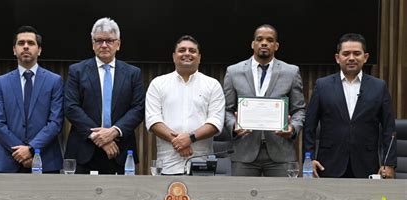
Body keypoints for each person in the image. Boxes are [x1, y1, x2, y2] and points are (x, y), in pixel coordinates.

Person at [303, 33, 396, 178]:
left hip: (367, 165)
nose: (351, 58)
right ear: (337, 58)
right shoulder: (322, 86)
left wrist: (388, 164)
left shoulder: (379, 87)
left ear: (365, 57)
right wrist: (308, 159)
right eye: (346, 53)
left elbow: (389, 129)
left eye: (356, 53)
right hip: (328, 164)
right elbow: (309, 126)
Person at [64, 17, 145, 174]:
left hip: (120, 151)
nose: (104, 45)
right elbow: (71, 107)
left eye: (109, 40)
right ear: (93, 44)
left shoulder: (132, 73)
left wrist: (114, 131)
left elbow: (138, 108)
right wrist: (98, 137)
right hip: (84, 150)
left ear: (118, 44)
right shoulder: (77, 71)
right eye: (99, 41)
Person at [224, 24, 306, 177]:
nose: (264, 43)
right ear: (253, 44)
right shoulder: (233, 71)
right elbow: (226, 110)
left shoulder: (291, 72)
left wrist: (292, 128)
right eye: (259, 39)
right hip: (244, 151)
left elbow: (299, 110)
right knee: (241, 199)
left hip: (281, 152)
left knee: (283, 199)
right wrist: (233, 125)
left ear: (276, 46)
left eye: (269, 40)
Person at [145, 35, 225, 175]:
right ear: (174, 56)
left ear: (199, 57)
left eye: (192, 51)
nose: (187, 53)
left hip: (201, 164)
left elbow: (215, 122)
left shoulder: (213, 85)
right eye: (182, 50)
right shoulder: (158, 83)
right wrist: (178, 141)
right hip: (167, 164)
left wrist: (190, 138)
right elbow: (153, 121)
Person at [0, 26, 64, 173]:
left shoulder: (54, 81)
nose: (25, 46)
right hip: (8, 160)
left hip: (46, 161)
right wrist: (21, 153)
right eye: (21, 43)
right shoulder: (1, 82)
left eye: (31, 43)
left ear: (39, 50)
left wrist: (31, 149)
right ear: (14, 50)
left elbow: (55, 122)